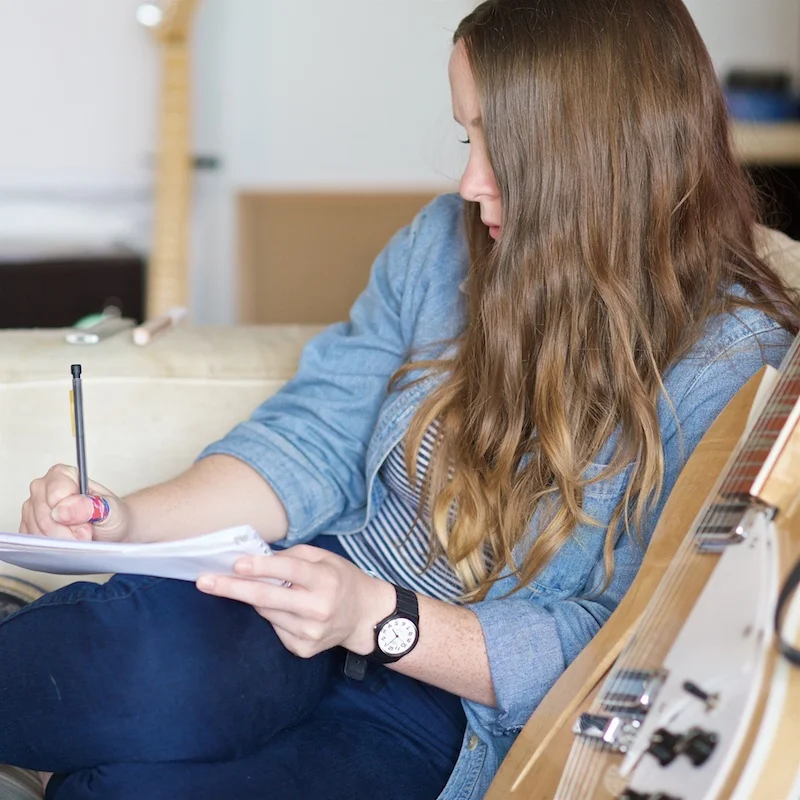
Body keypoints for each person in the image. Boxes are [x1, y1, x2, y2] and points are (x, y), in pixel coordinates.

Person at [3, 1, 799, 798]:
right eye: (467, 138)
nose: (470, 182)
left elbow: (639, 635)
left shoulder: (735, 362)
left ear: (603, 155)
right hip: (306, 588)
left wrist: (380, 619)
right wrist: (126, 522)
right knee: (131, 669)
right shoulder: (442, 244)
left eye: (504, 147)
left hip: (447, 710)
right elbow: (314, 436)